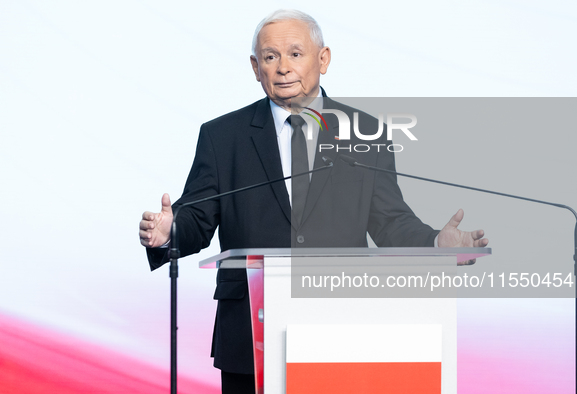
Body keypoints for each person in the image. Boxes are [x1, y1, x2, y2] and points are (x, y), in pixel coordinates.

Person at [139, 9, 488, 394]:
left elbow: (390, 221)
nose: (283, 67)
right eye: (271, 57)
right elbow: (198, 218)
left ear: (323, 59)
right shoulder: (224, 136)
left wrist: (437, 243)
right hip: (251, 332)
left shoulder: (367, 134)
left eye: (295, 53)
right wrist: (170, 231)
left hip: (338, 327)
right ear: (256, 68)